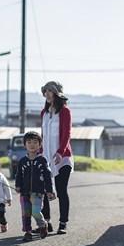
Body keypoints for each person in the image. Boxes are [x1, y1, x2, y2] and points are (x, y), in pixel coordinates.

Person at [40, 81, 73, 235]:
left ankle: (63, 223)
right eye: (45, 91)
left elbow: (67, 134)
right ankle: (46, 222)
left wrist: (60, 151)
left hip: (62, 158)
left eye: (49, 91)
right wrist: (38, 152)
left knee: (61, 190)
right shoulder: (44, 113)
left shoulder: (65, 111)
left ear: (56, 93)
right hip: (45, 156)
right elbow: (43, 136)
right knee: (44, 190)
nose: (47, 94)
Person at [15, 131, 56, 242]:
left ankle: (43, 225)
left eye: (35, 142)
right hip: (24, 192)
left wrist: (49, 190)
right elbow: (18, 175)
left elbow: (47, 176)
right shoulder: (22, 161)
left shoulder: (42, 160)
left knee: (36, 211)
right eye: (29, 142)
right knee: (26, 213)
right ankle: (28, 232)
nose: (32, 144)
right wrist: (18, 185)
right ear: (25, 145)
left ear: (40, 145)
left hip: (38, 192)